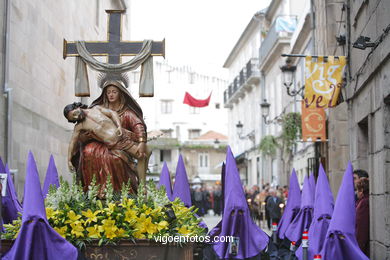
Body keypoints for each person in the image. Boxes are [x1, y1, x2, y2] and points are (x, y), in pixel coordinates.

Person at [69, 75, 149, 194]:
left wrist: (142, 140)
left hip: (121, 142)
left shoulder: (125, 112)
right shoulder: (94, 111)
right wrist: (86, 137)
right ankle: (93, 192)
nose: (111, 95)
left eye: (114, 92)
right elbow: (77, 138)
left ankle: (129, 190)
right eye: (108, 92)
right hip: (99, 144)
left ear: (120, 94)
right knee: (87, 151)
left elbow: (137, 125)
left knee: (121, 157)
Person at [64, 102, 147, 177]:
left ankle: (142, 183)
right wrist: (69, 160)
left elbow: (112, 113)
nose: (77, 117)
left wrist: (119, 126)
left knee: (146, 153)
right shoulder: (79, 127)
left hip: (124, 135)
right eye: (74, 119)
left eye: (75, 113)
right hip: (116, 144)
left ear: (77, 107)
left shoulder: (96, 109)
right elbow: (72, 143)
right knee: (138, 160)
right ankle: (141, 185)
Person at [356, 177, 369, 257]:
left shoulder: (363, 203)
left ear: (361, 190)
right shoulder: (363, 201)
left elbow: (361, 229)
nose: (356, 192)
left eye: (357, 190)